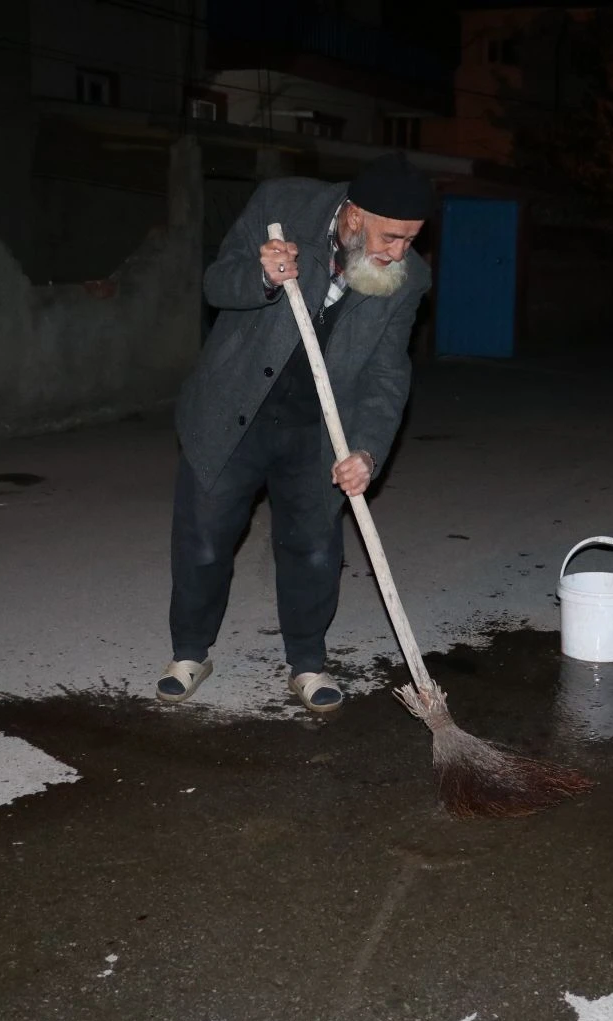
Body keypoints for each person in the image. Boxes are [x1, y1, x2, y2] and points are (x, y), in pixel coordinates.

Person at [157, 151, 435, 713]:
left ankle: (307, 662)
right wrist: (261, 275)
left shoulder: (409, 279)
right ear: (354, 217)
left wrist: (366, 449)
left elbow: (388, 373)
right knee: (205, 540)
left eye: (411, 239)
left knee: (312, 550)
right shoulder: (280, 206)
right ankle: (190, 651)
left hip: (319, 428)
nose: (399, 252)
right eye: (393, 237)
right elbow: (216, 283)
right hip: (235, 409)